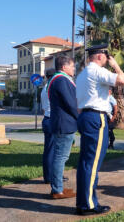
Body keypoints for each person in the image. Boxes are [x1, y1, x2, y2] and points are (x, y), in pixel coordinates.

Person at [75, 44, 124, 215]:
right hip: (96, 117)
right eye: (107, 56)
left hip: (86, 116)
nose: (108, 59)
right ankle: (88, 205)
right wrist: (116, 66)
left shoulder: (83, 74)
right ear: (99, 56)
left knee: (86, 162)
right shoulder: (96, 70)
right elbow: (123, 81)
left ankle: (85, 201)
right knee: (92, 163)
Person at [48, 56, 78, 199]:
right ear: (64, 67)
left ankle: (57, 188)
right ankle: (57, 190)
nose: (74, 69)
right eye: (72, 66)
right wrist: (81, 117)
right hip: (63, 124)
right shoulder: (61, 80)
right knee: (60, 157)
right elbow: (71, 103)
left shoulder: (58, 79)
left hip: (62, 123)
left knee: (60, 157)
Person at [40, 68, 56, 184]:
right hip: (52, 119)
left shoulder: (44, 89)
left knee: (49, 150)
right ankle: (51, 177)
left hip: (46, 118)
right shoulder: (52, 87)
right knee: (52, 150)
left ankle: (49, 176)